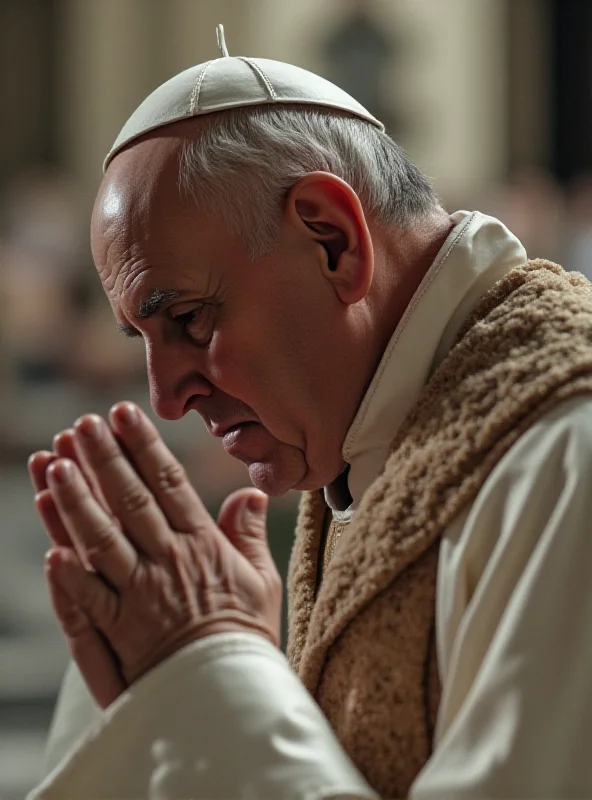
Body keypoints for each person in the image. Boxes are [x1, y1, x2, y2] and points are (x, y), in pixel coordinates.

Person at [26, 26, 592, 800]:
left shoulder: (567, 457)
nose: (165, 396)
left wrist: (212, 673)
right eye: (142, 339)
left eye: (187, 318)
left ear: (332, 240)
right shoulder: (372, 440)